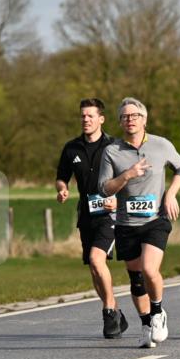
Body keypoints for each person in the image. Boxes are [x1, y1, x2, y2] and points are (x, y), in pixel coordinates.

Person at [99, 97, 180, 348]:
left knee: (150, 269)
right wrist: (126, 175)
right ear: (120, 122)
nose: (130, 120)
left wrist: (170, 194)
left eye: (135, 115)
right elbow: (105, 188)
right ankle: (146, 323)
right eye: (125, 116)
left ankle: (158, 312)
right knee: (136, 280)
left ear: (144, 119)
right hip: (127, 223)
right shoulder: (112, 151)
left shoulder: (161, 145)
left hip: (155, 220)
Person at [55, 98, 128, 339]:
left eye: (90, 116)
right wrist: (62, 188)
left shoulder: (115, 146)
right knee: (95, 269)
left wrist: (118, 199)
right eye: (83, 116)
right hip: (86, 215)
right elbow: (61, 176)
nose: (85, 120)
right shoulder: (71, 148)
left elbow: (128, 179)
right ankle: (116, 311)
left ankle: (108, 312)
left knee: (98, 260)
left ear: (101, 119)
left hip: (110, 214)